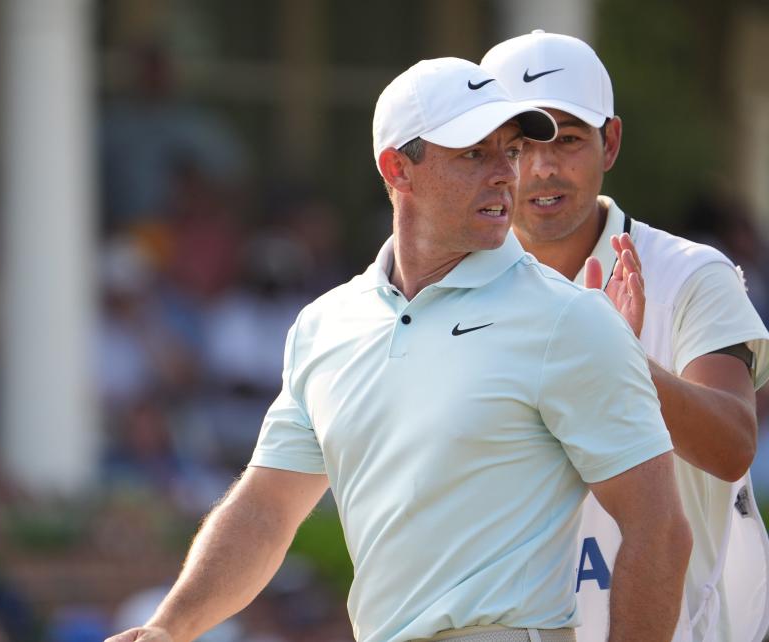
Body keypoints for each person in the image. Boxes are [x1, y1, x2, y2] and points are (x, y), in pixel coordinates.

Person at [106, 57, 692, 642]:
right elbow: (266, 508)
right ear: (397, 168)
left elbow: (659, 529)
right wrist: (170, 628)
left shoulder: (571, 320)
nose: (505, 174)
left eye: (509, 151)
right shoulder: (327, 325)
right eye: (473, 153)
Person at [481, 30, 769, 642]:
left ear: (610, 142)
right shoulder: (449, 289)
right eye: (518, 144)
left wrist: (624, 362)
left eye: (569, 138)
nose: (542, 167)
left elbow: (732, 444)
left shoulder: (690, 274)